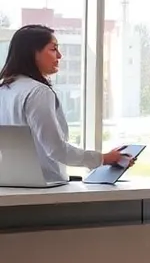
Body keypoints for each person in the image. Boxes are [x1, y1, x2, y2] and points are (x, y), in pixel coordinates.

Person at [0, 25, 126, 181]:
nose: (59, 56)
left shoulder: (5, 89)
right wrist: (103, 159)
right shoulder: (38, 92)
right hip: (45, 186)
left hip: (10, 185)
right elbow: (56, 149)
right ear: (33, 53)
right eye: (53, 49)